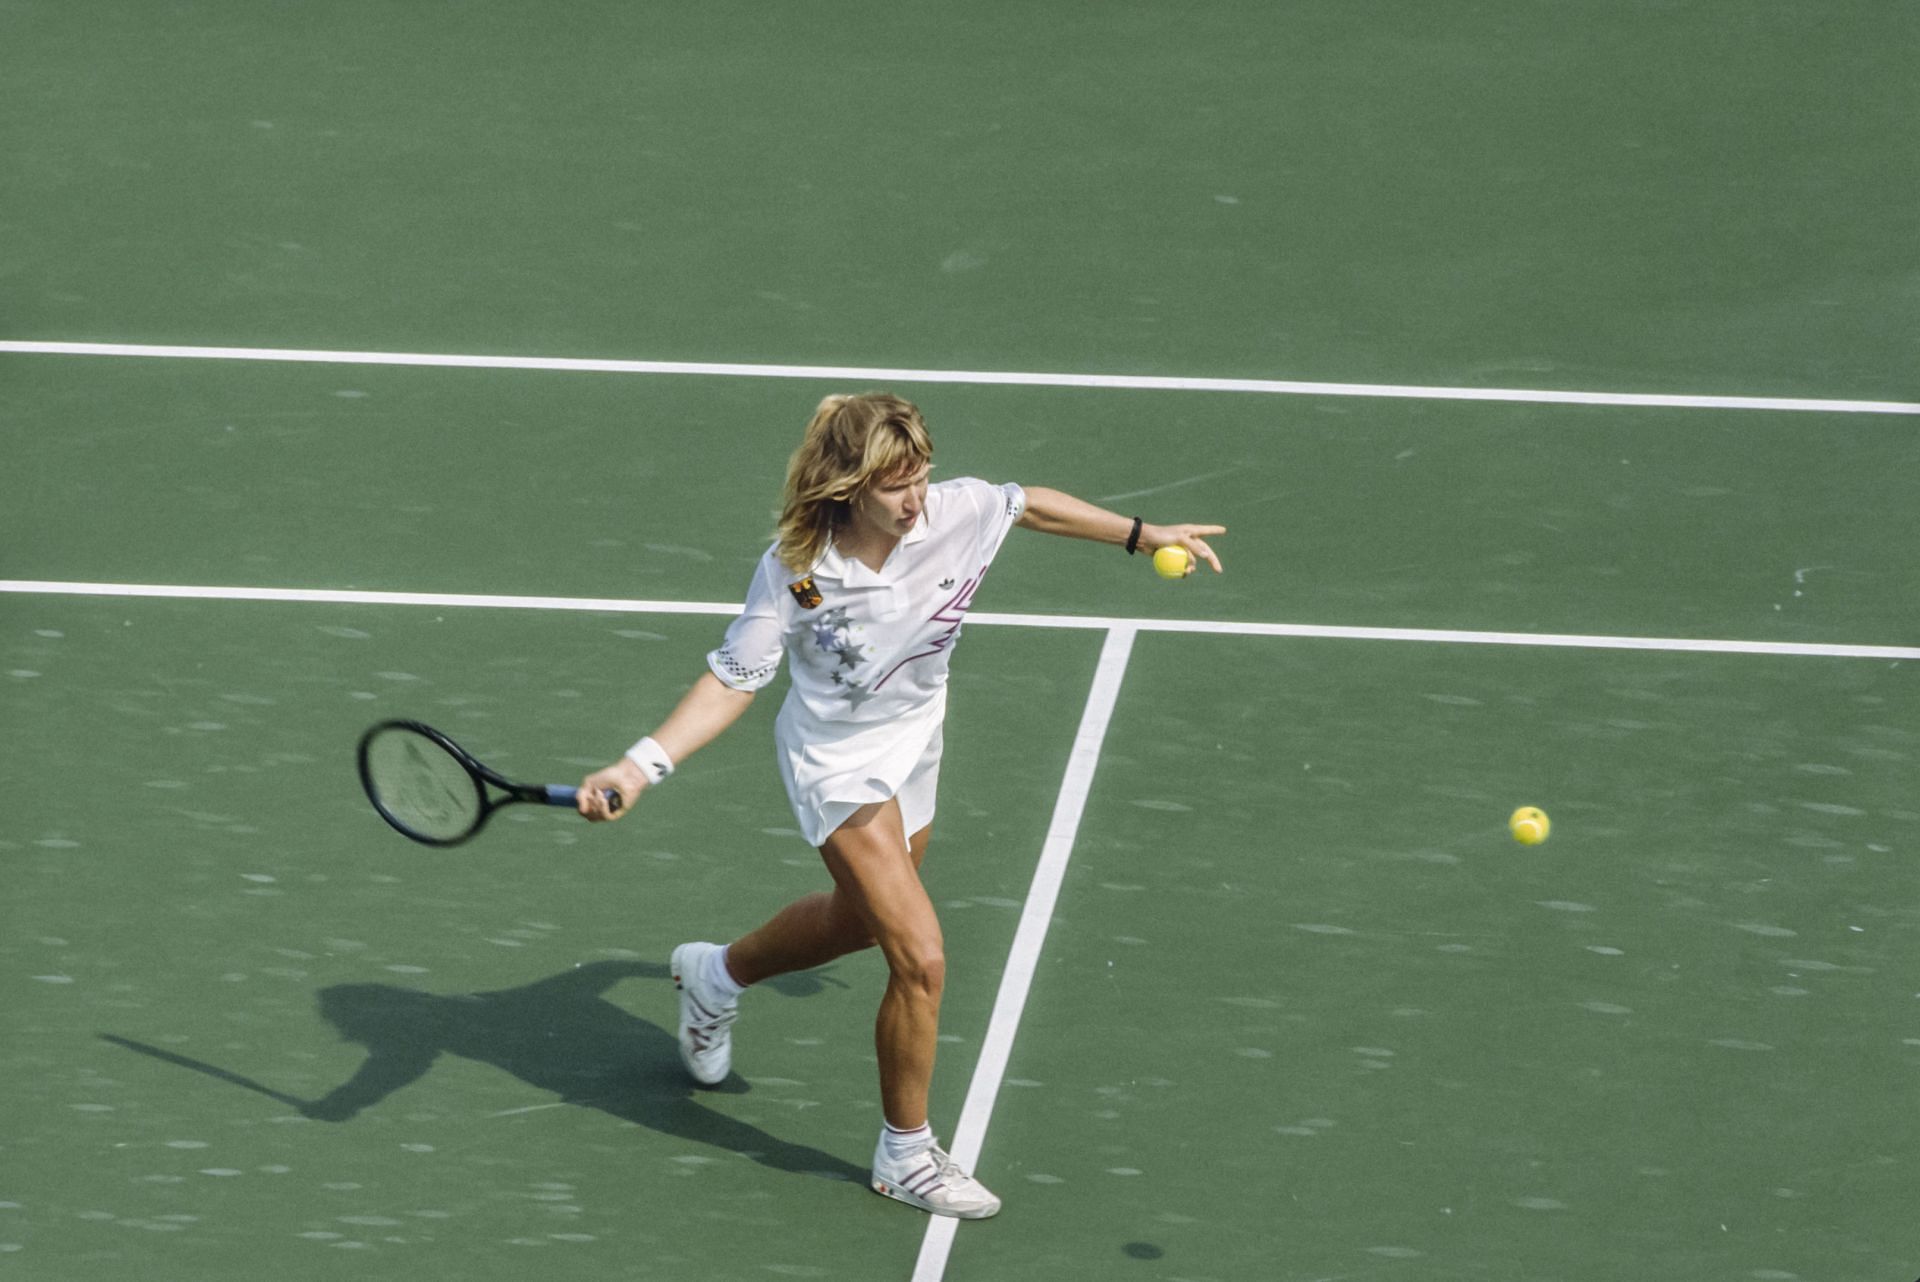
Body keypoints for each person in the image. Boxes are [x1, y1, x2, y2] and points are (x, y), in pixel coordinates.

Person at [577, 392, 1224, 1219]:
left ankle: (716, 974)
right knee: (919, 958)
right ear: (849, 486)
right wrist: (641, 766)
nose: (916, 499)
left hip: (916, 737)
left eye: (921, 477)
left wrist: (1145, 536)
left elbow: (1028, 505)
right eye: (896, 486)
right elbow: (732, 681)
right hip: (835, 763)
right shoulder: (795, 570)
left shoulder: (953, 514)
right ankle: (906, 1154)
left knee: (859, 922)